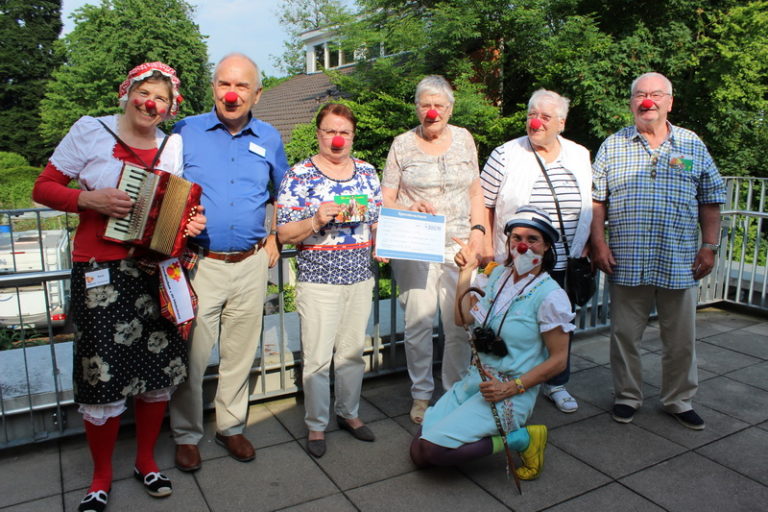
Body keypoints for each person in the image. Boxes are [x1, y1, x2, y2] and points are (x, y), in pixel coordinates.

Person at [32, 62, 205, 512]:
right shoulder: (91, 131)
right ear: (126, 93)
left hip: (156, 270)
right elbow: (44, 187)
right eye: (145, 93)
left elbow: (171, 208)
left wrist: (190, 222)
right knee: (101, 375)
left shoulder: (172, 144)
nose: (151, 103)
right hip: (100, 271)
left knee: (157, 373)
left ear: (170, 107)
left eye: (161, 99)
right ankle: (100, 476)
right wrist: (86, 199)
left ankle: (145, 460)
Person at [169, 53, 289, 470]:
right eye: (224, 84)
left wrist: (273, 234)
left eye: (241, 86)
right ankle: (186, 434)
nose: (231, 94)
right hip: (201, 265)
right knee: (193, 355)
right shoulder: (185, 132)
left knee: (240, 352)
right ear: (213, 88)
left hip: (252, 263)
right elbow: (165, 190)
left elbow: (282, 193)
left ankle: (231, 426)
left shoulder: (270, 137)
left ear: (257, 93)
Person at [591, 72, 725, 430]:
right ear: (632, 102)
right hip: (627, 259)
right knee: (624, 337)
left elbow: (711, 200)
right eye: (640, 94)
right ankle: (627, 396)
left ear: (670, 102)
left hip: (679, 259)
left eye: (655, 94)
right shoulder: (613, 145)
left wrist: (709, 246)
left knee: (680, 339)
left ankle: (678, 399)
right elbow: (596, 202)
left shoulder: (691, 145)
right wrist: (598, 243)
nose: (646, 101)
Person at [410, 205, 573, 481]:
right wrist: (467, 272)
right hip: (476, 381)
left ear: (546, 247)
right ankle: (495, 431)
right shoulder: (496, 277)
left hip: (511, 391)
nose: (523, 246)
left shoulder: (550, 296)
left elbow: (559, 360)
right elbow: (462, 319)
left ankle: (523, 439)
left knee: (433, 452)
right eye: (516, 238)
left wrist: (511, 387)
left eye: (532, 240)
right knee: (419, 451)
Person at [276, 103, 382, 458]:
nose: (337, 140)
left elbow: (377, 220)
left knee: (352, 354)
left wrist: (383, 243)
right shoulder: (299, 175)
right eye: (330, 132)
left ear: (353, 136)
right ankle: (316, 425)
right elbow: (284, 232)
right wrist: (315, 220)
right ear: (318, 133)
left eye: (344, 133)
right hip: (319, 279)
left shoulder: (367, 172)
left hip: (359, 276)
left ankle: (349, 414)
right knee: (319, 358)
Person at [480, 89, 592, 414]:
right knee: (515, 325)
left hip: (565, 262)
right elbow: (485, 204)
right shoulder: (505, 154)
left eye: (545, 116)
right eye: (532, 114)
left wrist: (590, 243)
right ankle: (505, 381)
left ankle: (556, 384)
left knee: (558, 327)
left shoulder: (579, 155)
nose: (536, 121)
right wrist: (487, 246)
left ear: (562, 122)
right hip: (520, 262)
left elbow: (591, 203)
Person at [382, 75, 486, 424]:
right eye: (425, 104)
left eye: (439, 105)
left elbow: (475, 193)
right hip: (415, 245)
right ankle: (421, 395)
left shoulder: (465, 139)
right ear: (416, 107)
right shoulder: (401, 144)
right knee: (418, 324)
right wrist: (407, 211)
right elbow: (387, 199)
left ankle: (454, 391)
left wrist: (478, 233)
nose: (432, 112)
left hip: (459, 246)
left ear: (450, 108)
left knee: (459, 323)